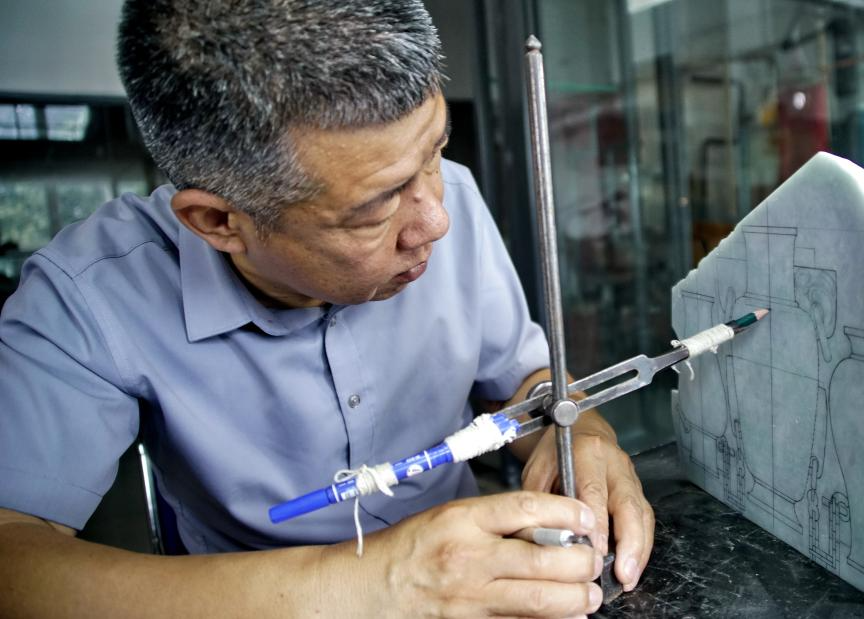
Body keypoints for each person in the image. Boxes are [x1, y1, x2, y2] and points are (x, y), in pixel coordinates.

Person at [0, 1, 654, 616]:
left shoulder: (437, 195)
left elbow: (523, 385)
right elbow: (13, 561)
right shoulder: (88, 295)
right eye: (375, 208)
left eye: (436, 150)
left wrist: (584, 435)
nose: (436, 220)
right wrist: (379, 582)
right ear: (220, 222)